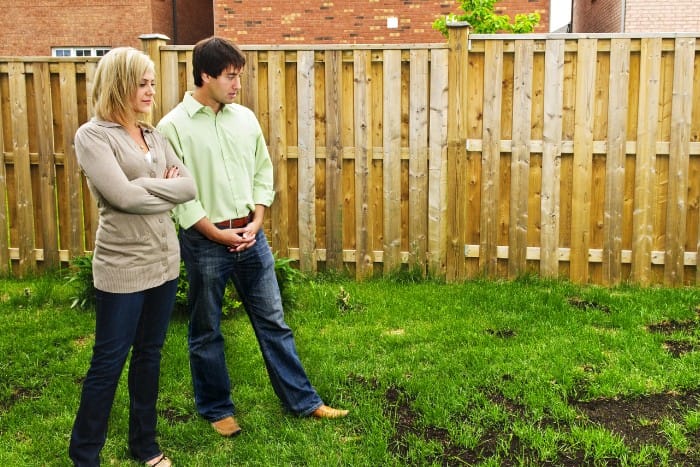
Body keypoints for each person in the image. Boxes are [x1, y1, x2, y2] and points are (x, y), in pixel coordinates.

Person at [157, 36, 348, 437]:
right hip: (206, 242)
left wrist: (257, 221)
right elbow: (179, 197)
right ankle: (216, 409)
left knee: (274, 322)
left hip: (252, 237)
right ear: (205, 75)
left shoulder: (244, 119)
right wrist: (217, 234)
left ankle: (304, 402)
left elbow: (263, 171)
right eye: (230, 76)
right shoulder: (172, 127)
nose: (237, 85)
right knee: (206, 328)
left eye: (238, 76)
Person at [69, 47, 196, 467]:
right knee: (109, 361)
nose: (150, 91)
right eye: (142, 83)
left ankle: (144, 445)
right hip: (123, 267)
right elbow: (120, 197)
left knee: (150, 355)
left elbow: (189, 188)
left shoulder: (154, 135)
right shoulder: (93, 136)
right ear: (119, 84)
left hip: (164, 263)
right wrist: (163, 185)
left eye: (153, 83)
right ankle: (85, 454)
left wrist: (146, 188)